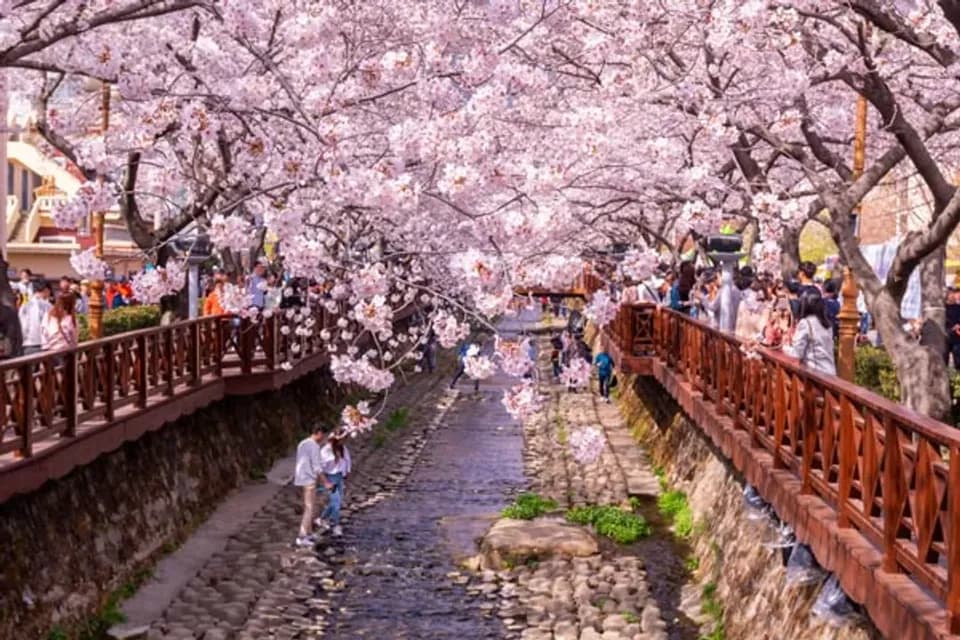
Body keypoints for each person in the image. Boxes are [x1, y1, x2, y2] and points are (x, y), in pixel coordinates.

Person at [294, 425, 334, 547]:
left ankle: (309, 533)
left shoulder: (302, 443)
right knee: (309, 508)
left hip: (300, 479)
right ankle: (302, 536)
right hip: (309, 480)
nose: (324, 438)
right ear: (318, 433)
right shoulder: (314, 446)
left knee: (309, 506)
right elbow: (317, 467)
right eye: (324, 435)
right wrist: (326, 482)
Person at [784, 288, 836, 375]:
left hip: (816, 374)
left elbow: (796, 353)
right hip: (831, 373)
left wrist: (784, 347)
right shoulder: (827, 324)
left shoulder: (806, 323)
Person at [316, 434, 352, 538]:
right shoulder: (326, 451)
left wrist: (347, 473)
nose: (344, 442)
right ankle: (336, 525)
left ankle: (322, 519)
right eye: (343, 439)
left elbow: (347, 461)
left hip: (340, 477)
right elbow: (320, 467)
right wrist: (325, 482)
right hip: (330, 478)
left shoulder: (343, 449)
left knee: (336, 502)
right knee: (336, 502)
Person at [20, 281, 53, 355]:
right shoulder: (48, 305)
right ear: (45, 290)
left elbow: (22, 325)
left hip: (27, 343)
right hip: (44, 343)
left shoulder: (25, 305)